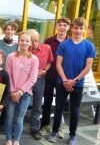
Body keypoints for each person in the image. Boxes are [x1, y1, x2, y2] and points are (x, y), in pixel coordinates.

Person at [48, 17, 96, 145]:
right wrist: (65, 80)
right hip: (62, 83)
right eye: (76, 28)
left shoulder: (89, 46)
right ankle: (54, 132)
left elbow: (88, 67)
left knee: (75, 111)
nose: (78, 31)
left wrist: (74, 81)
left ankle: (73, 135)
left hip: (78, 84)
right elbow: (58, 64)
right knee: (58, 108)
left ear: (84, 30)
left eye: (81, 28)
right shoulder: (64, 44)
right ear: (72, 28)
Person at [4, 32, 39, 145]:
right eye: (22, 40)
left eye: (27, 41)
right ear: (18, 41)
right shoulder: (11, 57)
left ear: (30, 43)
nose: (24, 43)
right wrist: (13, 92)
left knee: (19, 118)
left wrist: (20, 92)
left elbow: (32, 78)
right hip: (11, 92)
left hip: (25, 94)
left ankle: (16, 140)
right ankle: (9, 139)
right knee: (9, 117)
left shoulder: (34, 59)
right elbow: (8, 75)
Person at [40, 17, 71, 138]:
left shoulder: (71, 42)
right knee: (47, 101)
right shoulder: (48, 41)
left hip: (64, 77)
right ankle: (45, 125)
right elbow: (44, 57)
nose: (62, 27)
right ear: (56, 26)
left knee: (60, 103)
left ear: (68, 27)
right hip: (50, 75)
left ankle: (57, 128)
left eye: (65, 25)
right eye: (60, 25)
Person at [28, 29, 53, 140]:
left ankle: (34, 129)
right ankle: (16, 126)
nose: (33, 43)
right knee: (22, 104)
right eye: (31, 40)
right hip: (26, 80)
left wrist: (45, 70)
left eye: (36, 40)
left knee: (37, 106)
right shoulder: (23, 49)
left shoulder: (46, 48)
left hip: (39, 80)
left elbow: (50, 61)